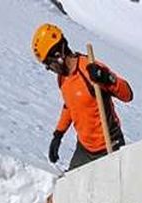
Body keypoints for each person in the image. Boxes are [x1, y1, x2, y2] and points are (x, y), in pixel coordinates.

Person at [31, 23, 133, 171]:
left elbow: (128, 94)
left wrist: (107, 78)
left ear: (59, 55)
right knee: (72, 189)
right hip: (85, 149)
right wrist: (58, 135)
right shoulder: (62, 79)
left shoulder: (90, 69)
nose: (49, 69)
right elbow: (70, 105)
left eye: (49, 64)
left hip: (109, 146)